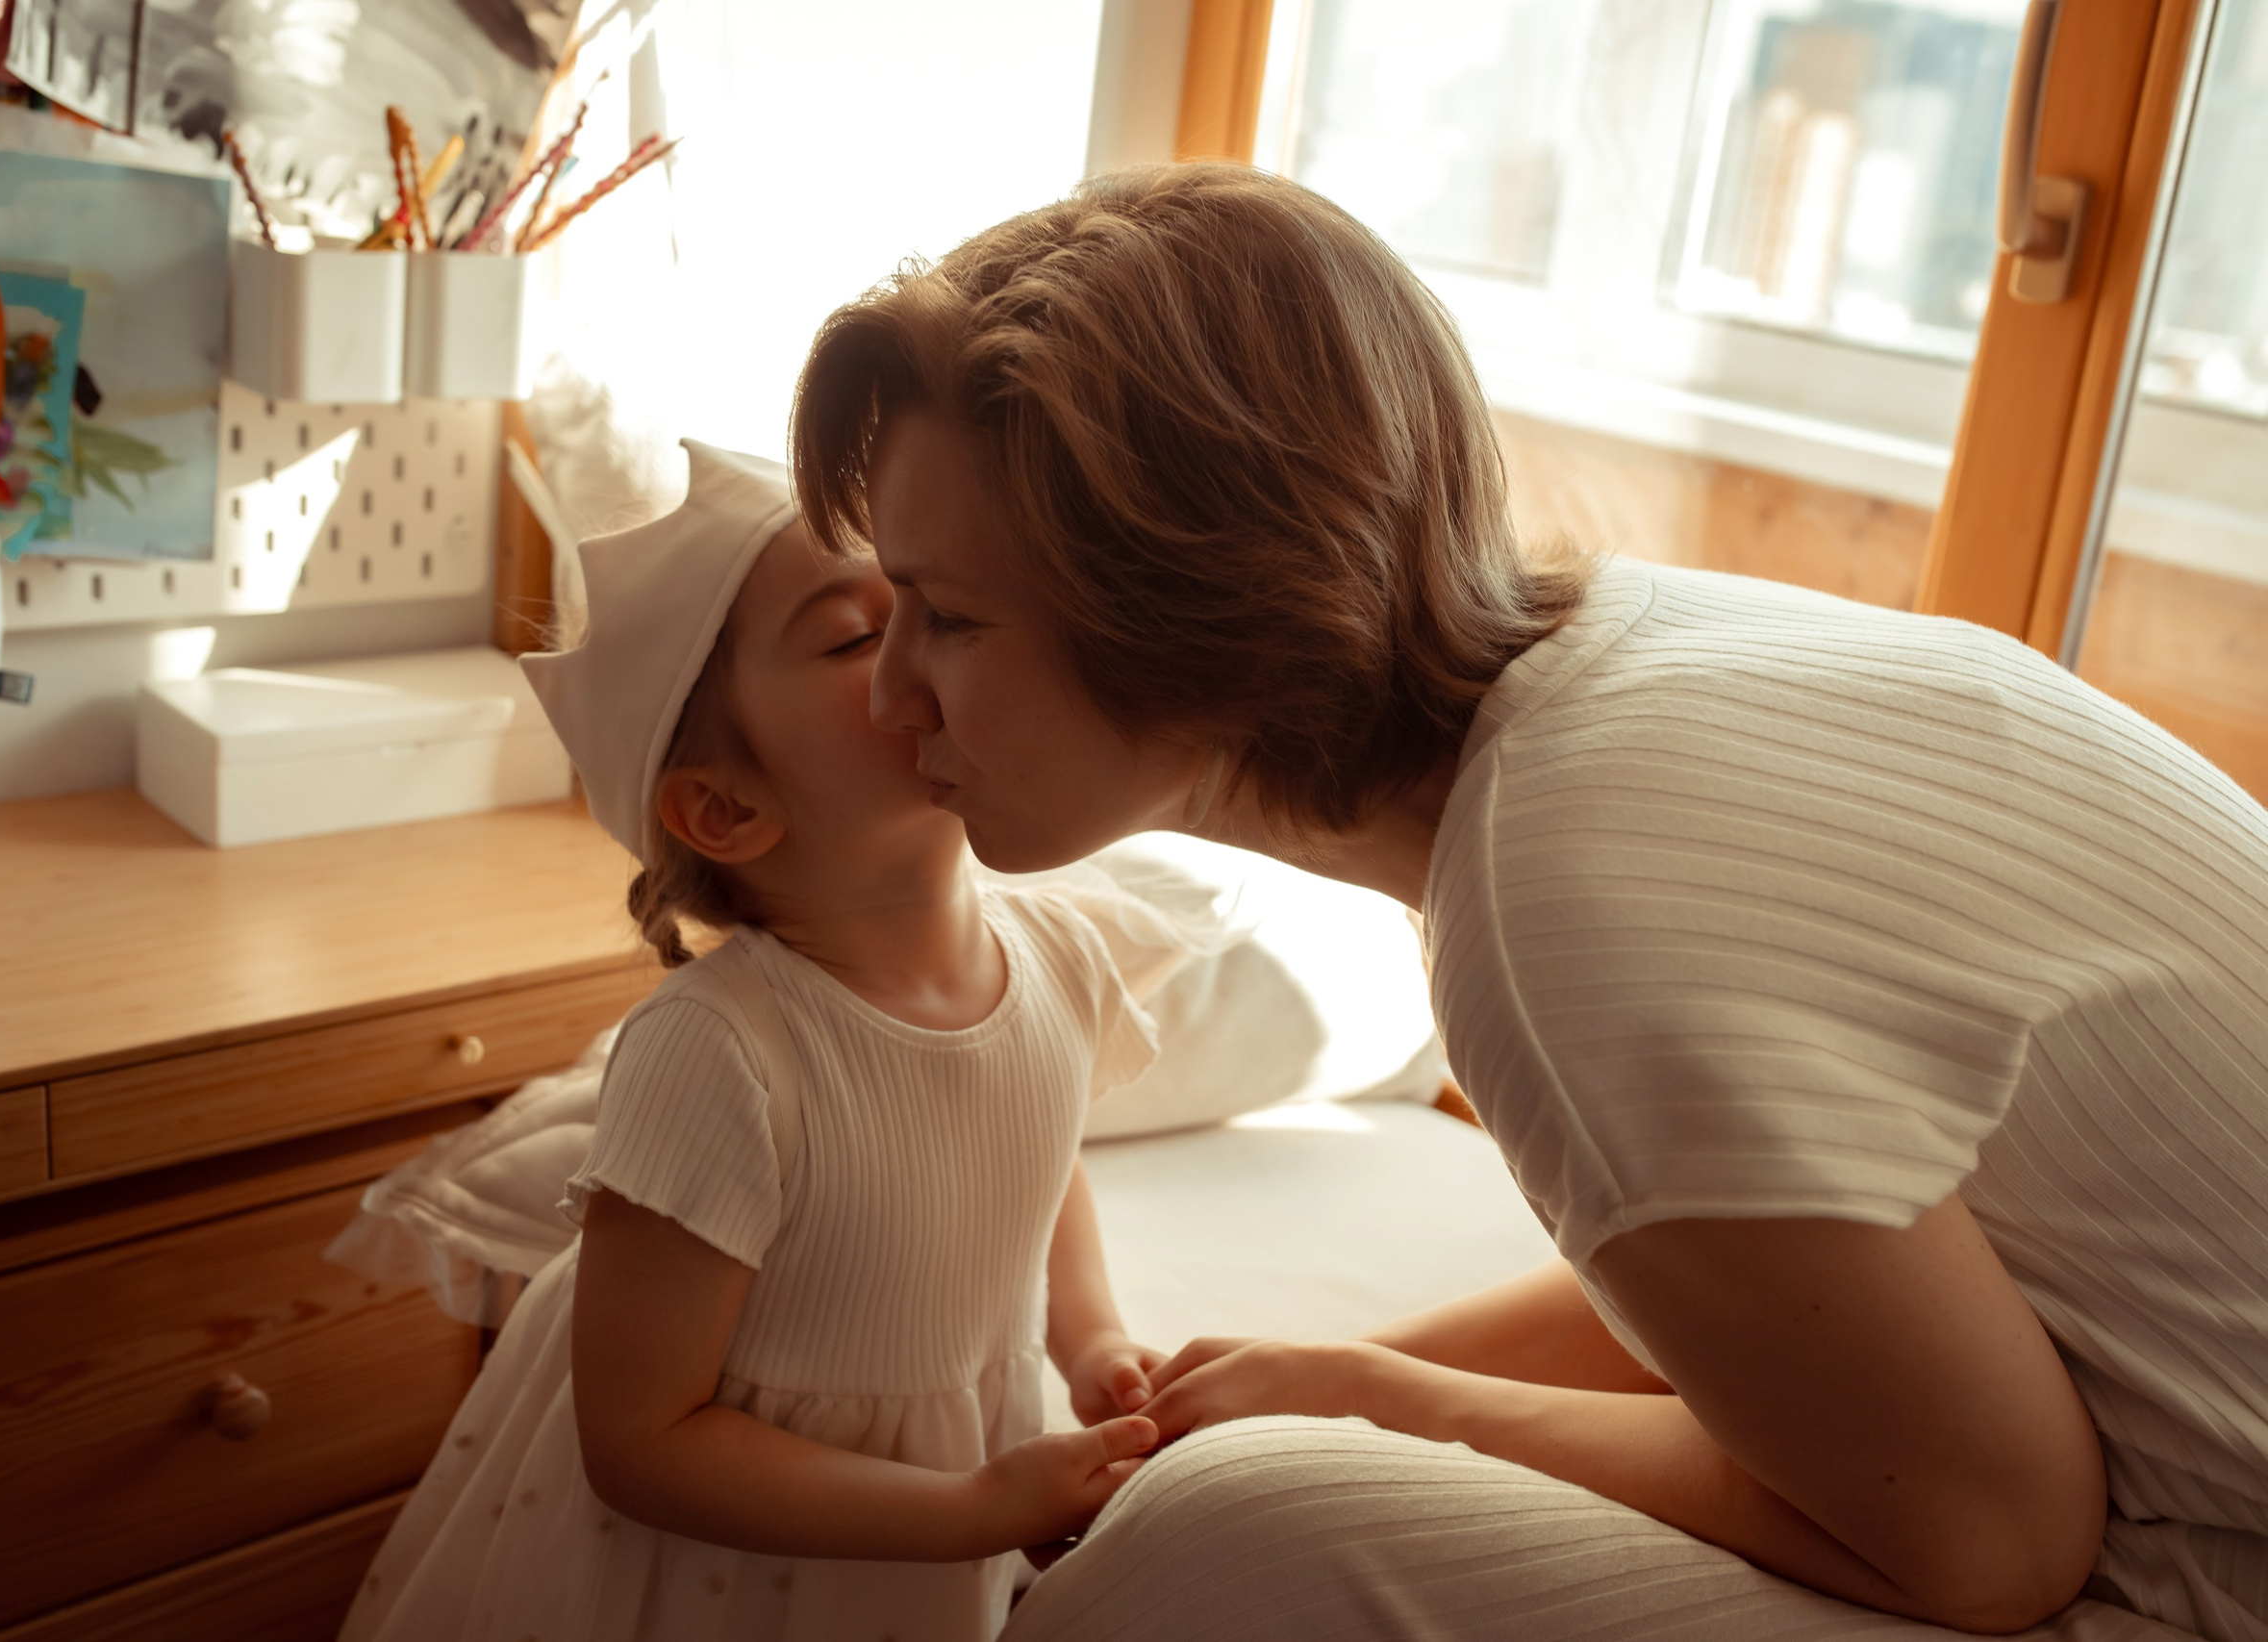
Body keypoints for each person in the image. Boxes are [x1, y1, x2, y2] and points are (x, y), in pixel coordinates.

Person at [787, 164, 2268, 1642]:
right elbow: (1773, 1280)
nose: (891, 689)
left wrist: (1383, 1399)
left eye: (950, 616)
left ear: (1196, 604)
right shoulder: (1636, 662)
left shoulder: (1560, 902)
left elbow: (1994, 1545)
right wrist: (1317, 1372)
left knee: (1218, 1538)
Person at [340, 442, 1167, 1642]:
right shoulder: (718, 1054)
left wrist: (1087, 1337)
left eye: (941, 606)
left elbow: (1034, 1164)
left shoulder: (1060, 955)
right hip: (727, 1576)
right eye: (857, 633)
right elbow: (642, 1443)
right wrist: (971, 1507)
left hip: (927, 1549)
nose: (925, 650)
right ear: (725, 806)